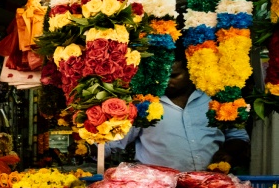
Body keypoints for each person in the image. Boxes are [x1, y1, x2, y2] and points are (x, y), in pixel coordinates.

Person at [105, 43, 250, 172]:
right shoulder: (143, 104)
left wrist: (227, 153)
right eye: (162, 75)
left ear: (191, 71)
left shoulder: (214, 100)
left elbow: (238, 137)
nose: (166, 81)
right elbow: (114, 141)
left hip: (208, 185)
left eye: (174, 75)